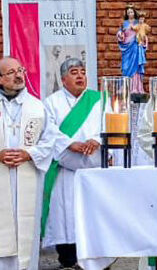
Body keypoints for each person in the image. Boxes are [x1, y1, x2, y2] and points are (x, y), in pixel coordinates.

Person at [42, 58, 106, 269]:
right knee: (64, 215)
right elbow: (48, 131)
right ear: (63, 79)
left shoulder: (99, 100)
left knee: (92, 215)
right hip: (65, 170)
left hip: (93, 168)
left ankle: (96, 260)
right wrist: (70, 144)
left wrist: (96, 139)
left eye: (82, 71)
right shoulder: (51, 102)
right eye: (74, 72)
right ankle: (68, 260)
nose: (80, 76)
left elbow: (110, 123)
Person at [0, 57, 52, 270]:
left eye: (20, 70)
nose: (19, 74)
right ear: (1, 79)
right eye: (11, 72)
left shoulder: (37, 106)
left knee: (26, 233)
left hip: (27, 174)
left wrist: (29, 153)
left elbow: (50, 141)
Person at [116, 4, 147, 94]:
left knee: (136, 67)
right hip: (127, 47)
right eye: (128, 12)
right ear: (126, 13)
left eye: (131, 12)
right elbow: (120, 33)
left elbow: (143, 32)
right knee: (125, 67)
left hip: (136, 45)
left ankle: (136, 87)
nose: (130, 14)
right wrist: (120, 35)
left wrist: (142, 39)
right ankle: (126, 87)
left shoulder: (138, 22)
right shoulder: (124, 23)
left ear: (134, 12)